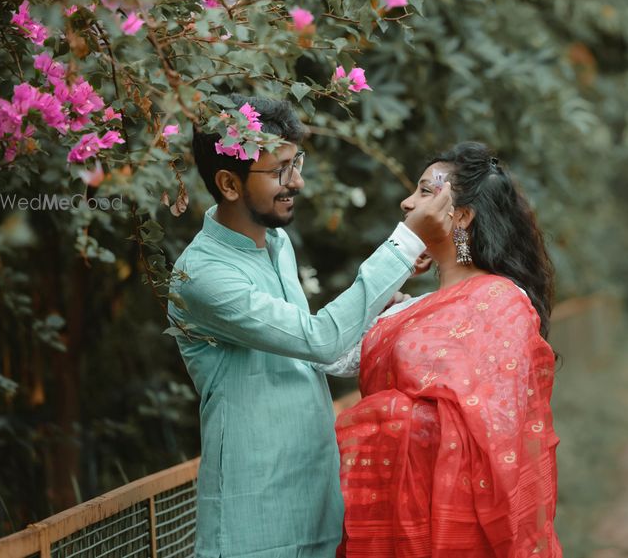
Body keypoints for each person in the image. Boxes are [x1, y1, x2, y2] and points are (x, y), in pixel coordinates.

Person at [167, 97, 454, 558]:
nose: (296, 181)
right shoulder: (203, 275)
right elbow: (321, 340)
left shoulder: (278, 245)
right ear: (229, 183)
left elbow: (328, 356)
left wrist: (404, 304)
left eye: (295, 163)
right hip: (252, 526)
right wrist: (403, 243)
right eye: (280, 170)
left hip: (318, 504)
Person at [334, 142, 562, 558]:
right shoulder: (410, 308)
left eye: (425, 192)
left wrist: (382, 418)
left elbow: (497, 434)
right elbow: (328, 352)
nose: (407, 203)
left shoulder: (500, 302)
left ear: (460, 217)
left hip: (456, 526)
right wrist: (391, 278)